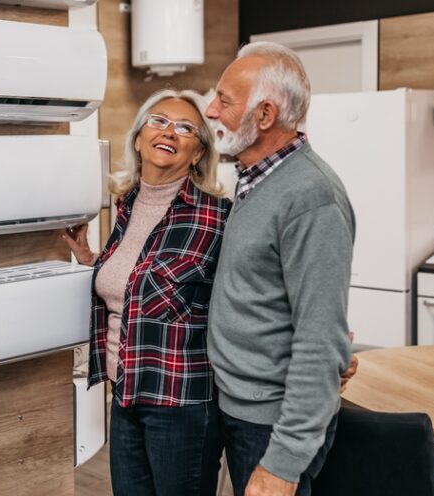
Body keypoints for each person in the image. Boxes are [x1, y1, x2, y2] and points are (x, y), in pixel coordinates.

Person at [204, 41, 355, 496]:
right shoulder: (254, 181)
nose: (210, 110)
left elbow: (319, 340)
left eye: (225, 101)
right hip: (242, 409)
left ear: (265, 115)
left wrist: (284, 463)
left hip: (272, 424)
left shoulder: (312, 197)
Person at [63, 88, 230, 496]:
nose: (169, 132)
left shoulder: (217, 217)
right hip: (125, 392)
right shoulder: (126, 205)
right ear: (138, 138)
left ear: (198, 153)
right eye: (158, 121)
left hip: (181, 402)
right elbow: (133, 286)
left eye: (185, 128)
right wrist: (89, 258)